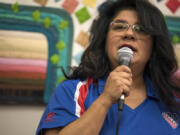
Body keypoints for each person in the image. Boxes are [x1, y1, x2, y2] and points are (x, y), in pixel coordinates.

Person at [36, 0, 180, 134]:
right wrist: (106, 99)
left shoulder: (173, 101)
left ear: (154, 45)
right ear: (104, 40)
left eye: (141, 29)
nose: (129, 33)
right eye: (119, 27)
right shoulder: (72, 91)